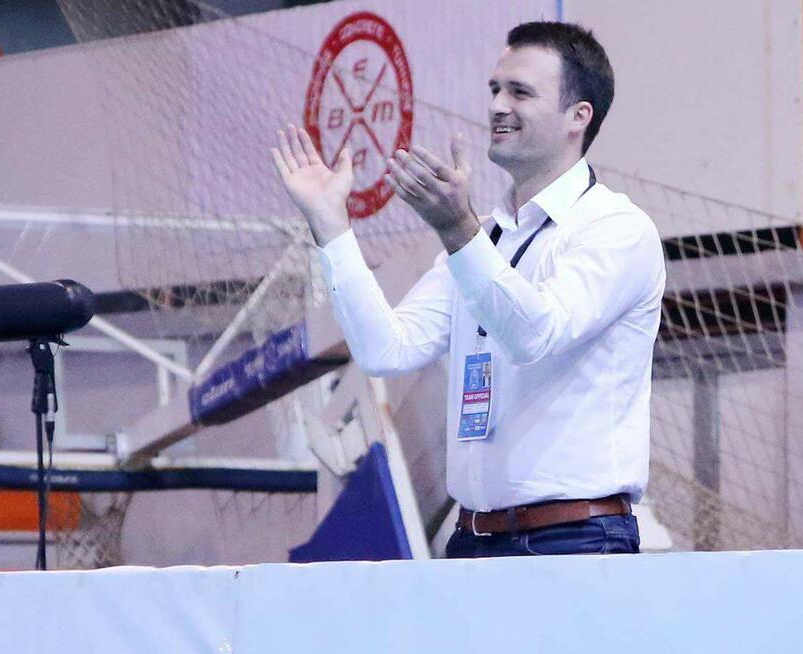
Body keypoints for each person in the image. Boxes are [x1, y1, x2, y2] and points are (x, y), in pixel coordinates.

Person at [271, 21, 665, 557]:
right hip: (472, 536)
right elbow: (386, 349)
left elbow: (535, 335)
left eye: (520, 92)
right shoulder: (487, 237)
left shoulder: (617, 229)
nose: (498, 105)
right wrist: (331, 226)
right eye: (495, 89)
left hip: (575, 538)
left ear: (579, 116)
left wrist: (457, 230)